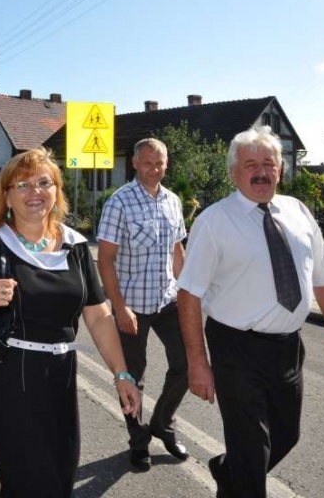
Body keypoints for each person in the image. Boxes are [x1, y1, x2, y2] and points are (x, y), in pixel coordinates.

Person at [0, 148, 141, 498]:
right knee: (28, 482)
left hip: (60, 378)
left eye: (44, 182)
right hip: (7, 380)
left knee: (59, 479)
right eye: (23, 184)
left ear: (57, 190)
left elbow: (98, 314)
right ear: (7, 195)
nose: (35, 192)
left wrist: (121, 374)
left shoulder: (74, 246)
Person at [176, 125, 324, 498]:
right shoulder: (214, 221)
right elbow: (189, 295)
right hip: (235, 348)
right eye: (250, 164)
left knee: (286, 436)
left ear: (281, 170)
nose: (261, 171)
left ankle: (228, 472)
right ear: (233, 173)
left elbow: (323, 279)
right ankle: (240, 476)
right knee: (251, 452)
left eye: (268, 163)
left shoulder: (298, 212)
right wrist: (197, 361)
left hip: (288, 348)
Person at [96, 137, 189, 471]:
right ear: (135, 163)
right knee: (132, 376)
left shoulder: (173, 201)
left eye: (160, 162)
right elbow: (105, 261)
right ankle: (138, 442)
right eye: (148, 162)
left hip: (167, 300)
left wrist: (188, 293)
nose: (155, 169)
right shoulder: (119, 203)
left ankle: (162, 423)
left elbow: (177, 252)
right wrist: (119, 308)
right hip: (131, 303)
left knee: (189, 364)